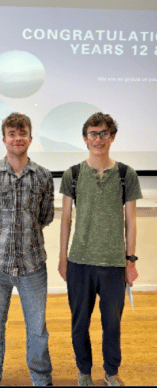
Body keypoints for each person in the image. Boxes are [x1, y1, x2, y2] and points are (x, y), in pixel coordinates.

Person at [59, 112, 142, 386]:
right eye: (93, 134)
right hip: (79, 262)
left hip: (113, 263)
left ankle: (110, 372)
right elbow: (66, 219)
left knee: (112, 325)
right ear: (85, 139)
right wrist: (63, 258)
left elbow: (131, 221)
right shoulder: (72, 174)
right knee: (79, 322)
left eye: (104, 133)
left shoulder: (125, 174)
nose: (99, 139)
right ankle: (84, 372)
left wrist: (130, 261)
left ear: (112, 137)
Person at [0, 113, 54, 386]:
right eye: (12, 133)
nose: (17, 138)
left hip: (33, 267)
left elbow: (44, 217)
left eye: (22, 134)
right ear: (4, 138)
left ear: (30, 138)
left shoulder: (43, 176)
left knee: (37, 331)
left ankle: (41, 380)